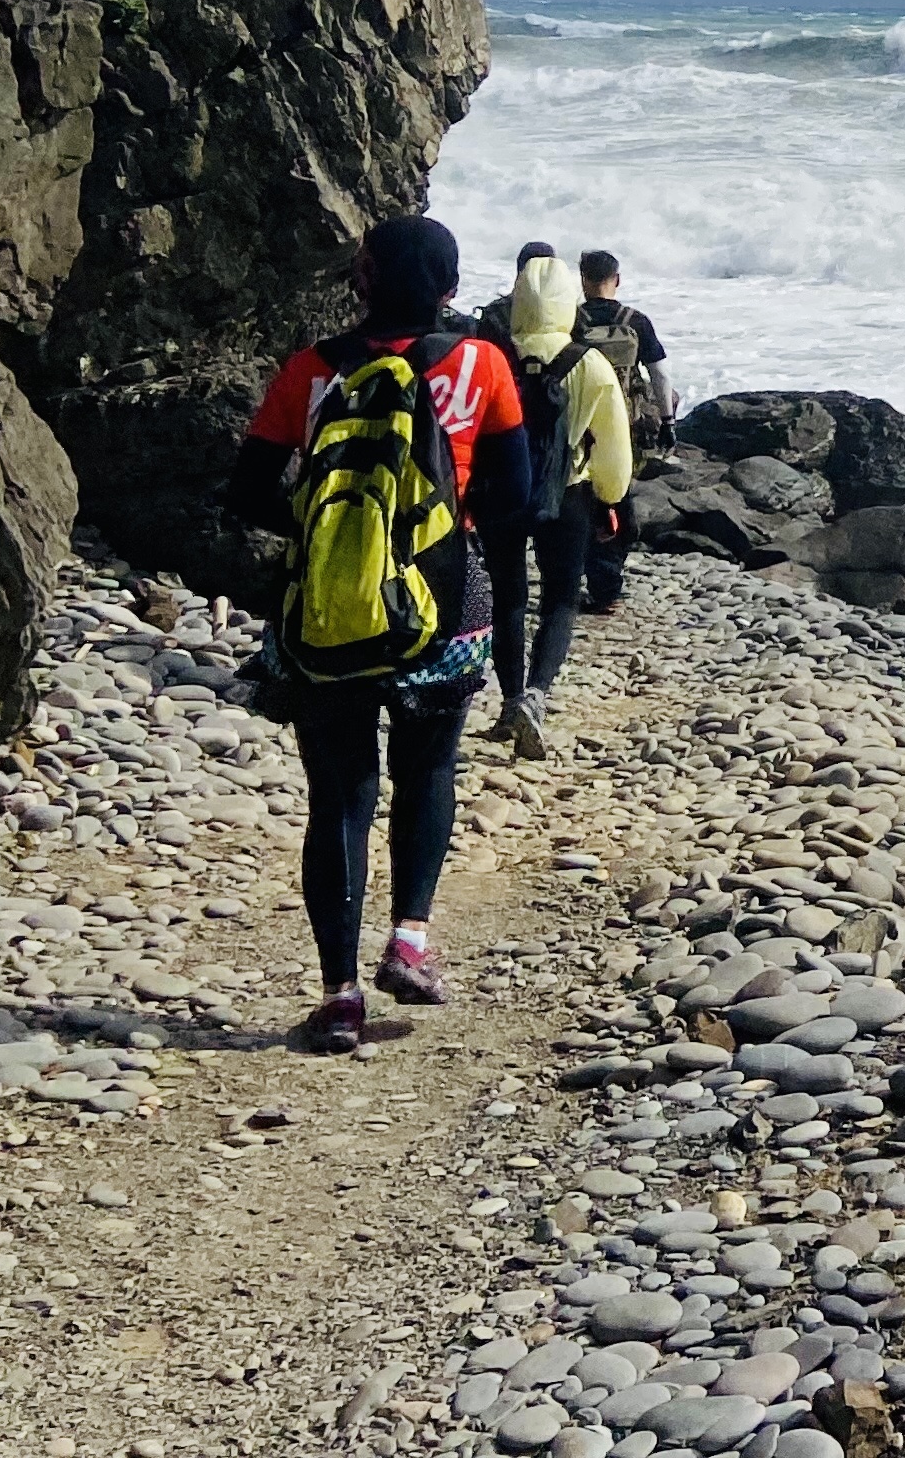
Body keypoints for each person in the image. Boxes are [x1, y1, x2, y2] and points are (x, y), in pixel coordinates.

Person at [230, 213, 531, 1052]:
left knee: (340, 796)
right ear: (448, 286)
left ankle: (340, 995)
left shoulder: (311, 370)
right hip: (445, 600)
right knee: (428, 769)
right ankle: (410, 941)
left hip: (325, 606)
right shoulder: (481, 364)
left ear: (363, 280)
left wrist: (336, 537)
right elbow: (515, 498)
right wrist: (441, 526)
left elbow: (248, 491)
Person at [492, 241, 634, 756]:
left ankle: (508, 698)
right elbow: (614, 449)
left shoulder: (494, 358)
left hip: (502, 490)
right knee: (559, 598)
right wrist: (609, 500)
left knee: (507, 596)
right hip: (568, 492)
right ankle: (537, 692)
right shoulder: (590, 364)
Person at [573, 248, 672, 615]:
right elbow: (661, 374)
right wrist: (668, 420)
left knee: (580, 503)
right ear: (617, 279)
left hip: (578, 426)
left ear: (583, 280)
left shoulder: (570, 320)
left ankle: (579, 581)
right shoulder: (636, 321)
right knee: (615, 499)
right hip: (623, 428)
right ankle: (608, 587)